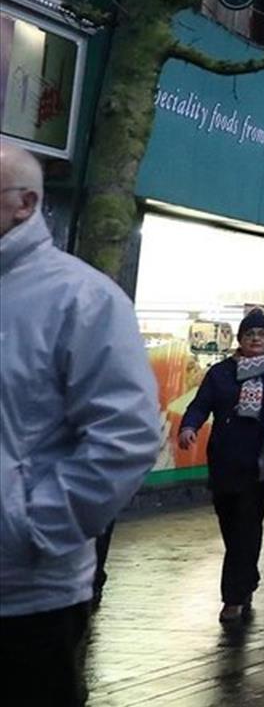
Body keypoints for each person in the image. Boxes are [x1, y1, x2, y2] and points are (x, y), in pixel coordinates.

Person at [0, 140, 162, 704]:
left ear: (23, 204)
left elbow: (130, 434)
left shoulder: (83, 298)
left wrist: (30, 526)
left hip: (26, 596)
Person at [178, 307, 264, 623]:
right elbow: (200, 404)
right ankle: (247, 577)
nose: (256, 339)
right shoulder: (221, 373)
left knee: (247, 524)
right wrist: (189, 426)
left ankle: (233, 598)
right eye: (250, 334)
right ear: (241, 338)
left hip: (261, 464)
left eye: (262, 334)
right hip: (224, 460)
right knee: (230, 524)